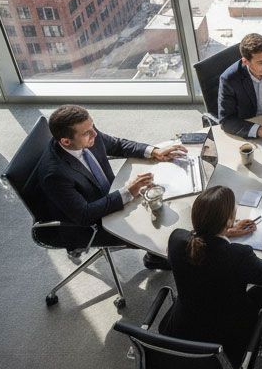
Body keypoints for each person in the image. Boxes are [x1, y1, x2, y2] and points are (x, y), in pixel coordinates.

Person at [36, 104, 187, 269]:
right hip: (89, 224)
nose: (95, 133)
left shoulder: (87, 134)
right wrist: (127, 192)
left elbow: (117, 145)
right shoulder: (54, 174)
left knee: (165, 202)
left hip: (107, 195)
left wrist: (154, 151)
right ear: (66, 141)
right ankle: (159, 255)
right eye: (87, 132)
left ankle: (155, 255)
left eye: (92, 126)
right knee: (165, 229)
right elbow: (84, 215)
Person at [161, 186, 262, 365]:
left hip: (180, 330)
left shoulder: (176, 239)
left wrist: (226, 232)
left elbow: (196, 242)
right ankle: (260, 337)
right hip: (224, 343)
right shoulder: (237, 255)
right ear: (229, 220)